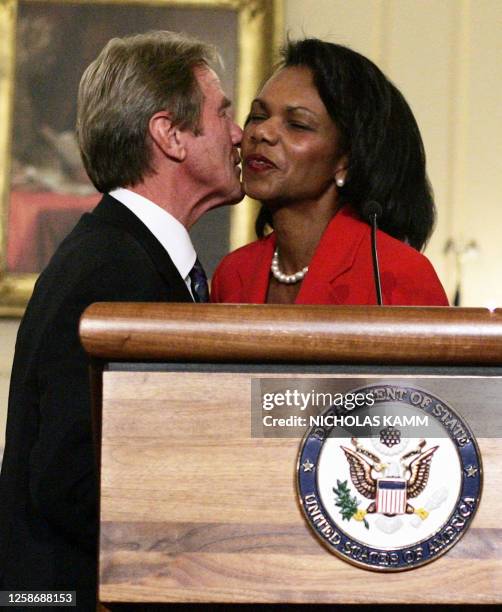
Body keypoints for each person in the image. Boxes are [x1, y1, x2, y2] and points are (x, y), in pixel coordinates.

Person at [0, 31, 242, 610]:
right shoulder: (114, 269)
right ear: (171, 134)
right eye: (223, 112)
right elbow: (68, 477)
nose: (238, 133)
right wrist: (200, 556)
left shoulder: (123, 254)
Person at [211, 38, 448, 306]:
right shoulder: (232, 274)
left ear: (345, 161)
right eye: (258, 116)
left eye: (297, 124)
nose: (261, 132)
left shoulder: (396, 274)